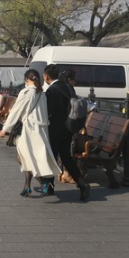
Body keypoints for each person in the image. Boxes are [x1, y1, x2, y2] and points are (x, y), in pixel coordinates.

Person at [0, 69, 60, 197]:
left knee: (23, 157)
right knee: (28, 157)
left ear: (27, 79)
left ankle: (43, 183)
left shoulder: (27, 92)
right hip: (41, 130)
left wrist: (6, 128)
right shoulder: (41, 93)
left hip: (30, 130)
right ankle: (27, 186)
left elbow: (16, 110)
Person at [43, 64, 90, 201]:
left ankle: (50, 187)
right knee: (66, 158)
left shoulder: (51, 91)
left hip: (55, 129)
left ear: (46, 76)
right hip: (69, 129)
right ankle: (82, 183)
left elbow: (49, 112)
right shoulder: (68, 87)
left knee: (51, 157)